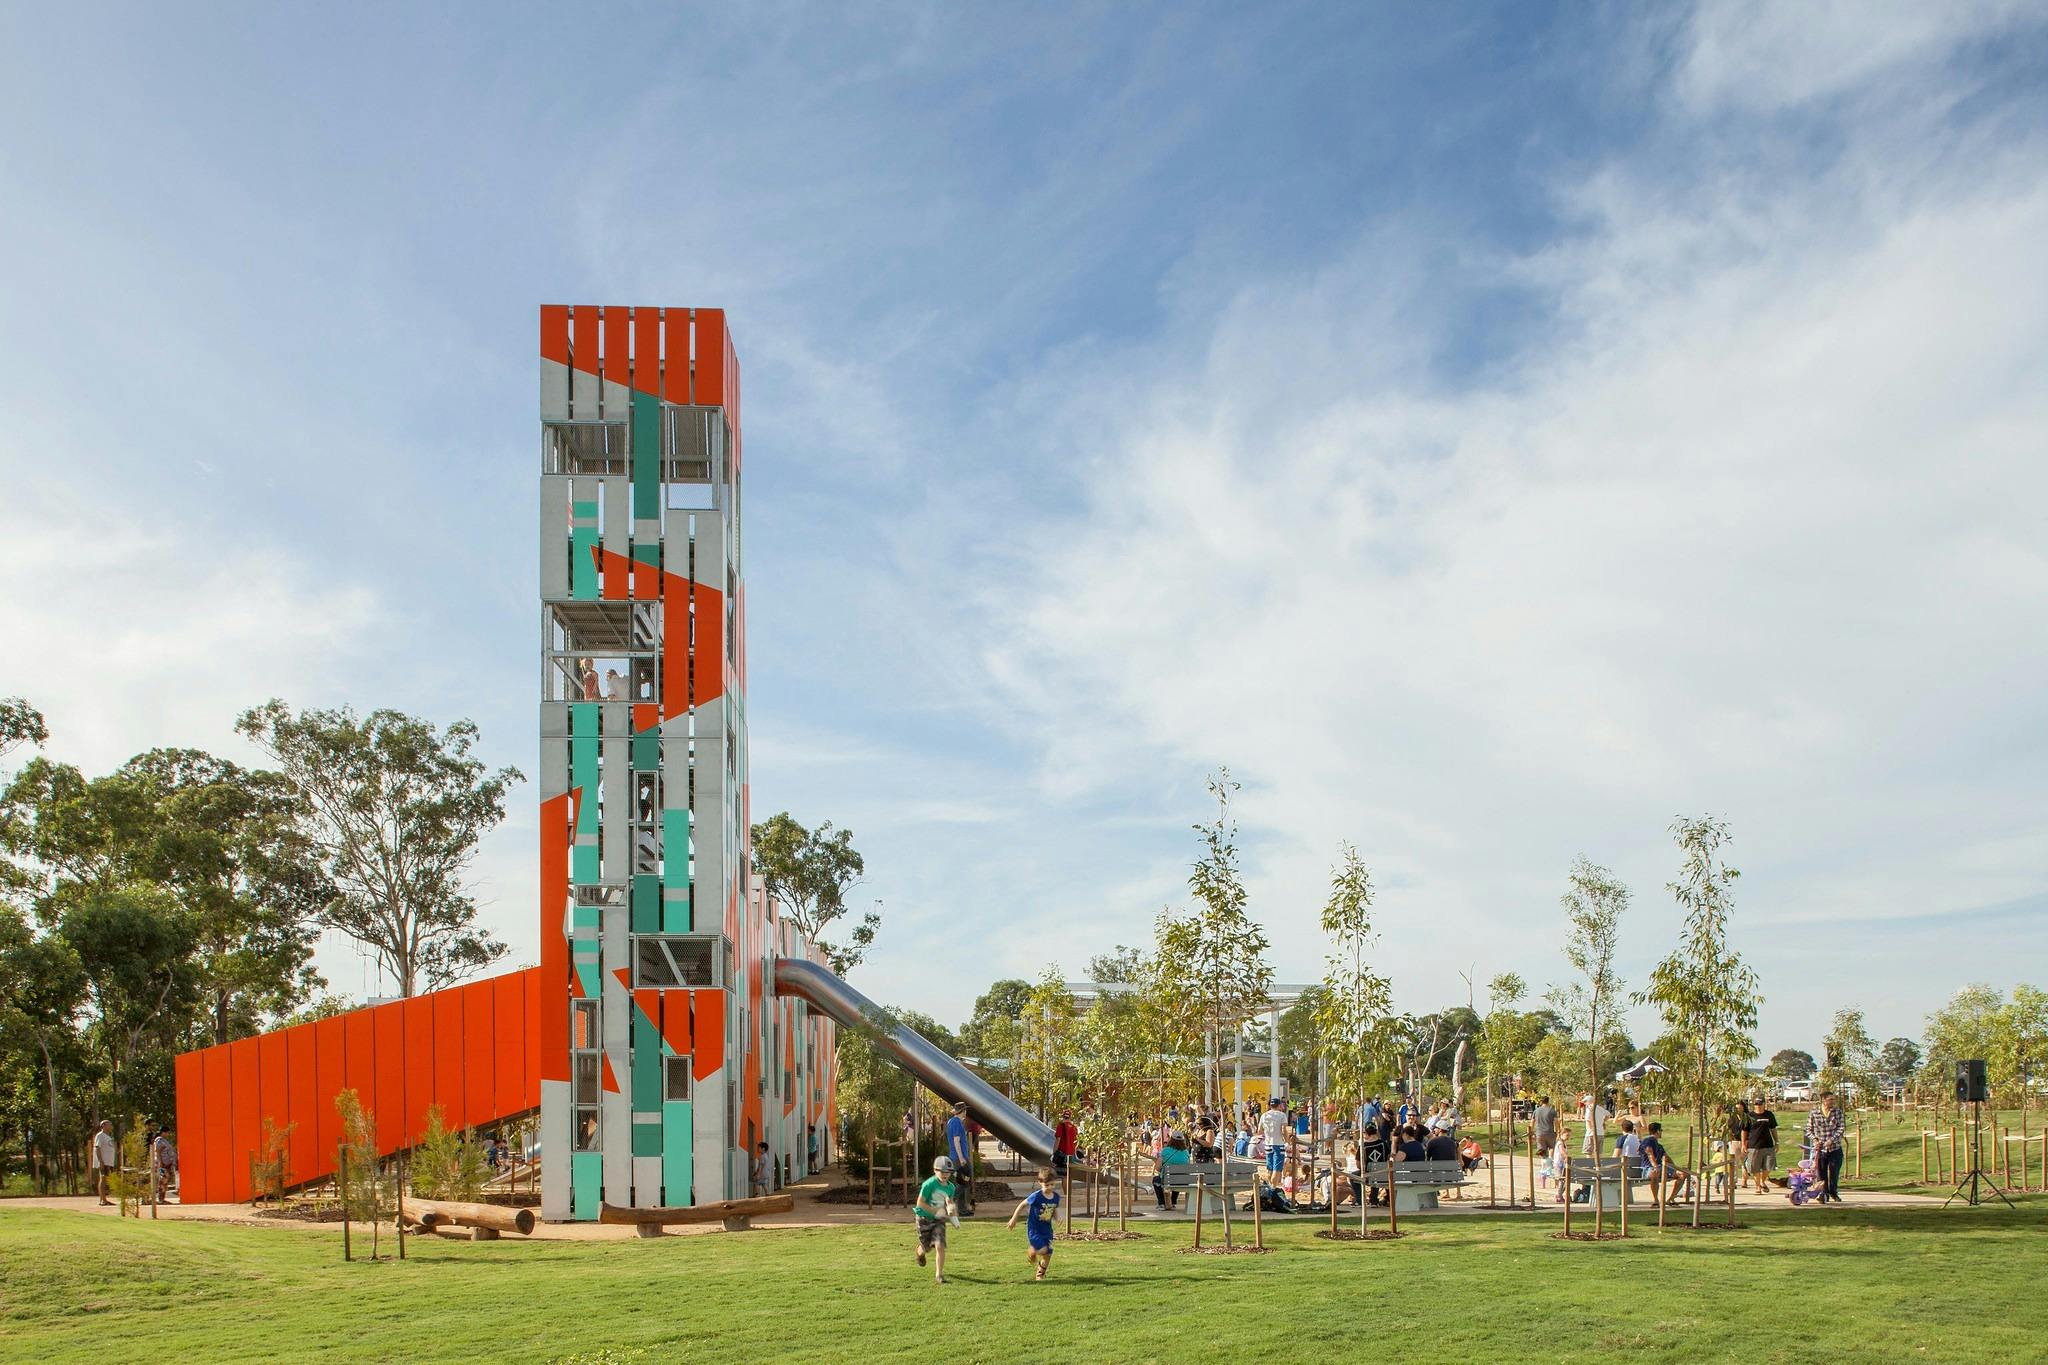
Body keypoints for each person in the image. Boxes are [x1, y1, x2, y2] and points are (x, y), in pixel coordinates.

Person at [1007, 1168, 1061, 1281]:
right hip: (1034, 1229)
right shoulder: (1036, 1196)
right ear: (1040, 1183)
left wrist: (1057, 1218)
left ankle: (1040, 1274)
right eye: (1047, 1185)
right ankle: (1032, 1251)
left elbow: (1054, 1209)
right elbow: (1022, 1205)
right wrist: (1013, 1219)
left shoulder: (1056, 1197)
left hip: (1047, 1230)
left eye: (1052, 1184)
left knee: (1048, 1254)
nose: (1050, 1187)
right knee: (1044, 1250)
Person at [914, 1155, 959, 1284]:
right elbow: (920, 1203)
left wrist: (953, 1216)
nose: (945, 1175)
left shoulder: (951, 1187)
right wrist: (936, 1211)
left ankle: (939, 1275)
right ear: (935, 1170)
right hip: (923, 1218)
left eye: (948, 1172)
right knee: (927, 1247)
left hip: (939, 1220)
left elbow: (948, 1201)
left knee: (939, 1245)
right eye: (942, 1171)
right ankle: (920, 1251)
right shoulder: (929, 1184)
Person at [1806, 1093, 1847, 1204]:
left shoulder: (1837, 1112)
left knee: (1834, 1172)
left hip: (1835, 1148)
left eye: (1833, 1099)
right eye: (1830, 1099)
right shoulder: (1814, 1113)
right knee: (1821, 1173)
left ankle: (1833, 1192)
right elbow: (1809, 1130)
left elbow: (1841, 1128)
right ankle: (1823, 1194)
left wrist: (1832, 1140)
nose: (1833, 1101)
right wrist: (1815, 1140)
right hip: (1820, 1150)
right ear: (1823, 1100)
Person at [944, 1102, 975, 1215]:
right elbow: (956, 1141)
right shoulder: (957, 1123)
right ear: (961, 1111)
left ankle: (962, 1210)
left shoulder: (951, 1122)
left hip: (954, 1157)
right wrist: (961, 1158)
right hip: (959, 1158)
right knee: (964, 1182)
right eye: (965, 1110)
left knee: (962, 1182)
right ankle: (947, 1202)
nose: (966, 1112)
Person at [1746, 1097, 1779, 1193]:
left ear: (1764, 1104)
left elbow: (1773, 1129)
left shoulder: (1769, 1115)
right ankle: (1758, 1187)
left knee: (1769, 1166)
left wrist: (1776, 1142)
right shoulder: (1749, 1116)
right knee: (1755, 1168)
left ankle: (1762, 1181)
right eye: (1756, 1104)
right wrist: (1744, 1144)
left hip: (1768, 1145)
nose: (1758, 1106)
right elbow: (1745, 1131)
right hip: (1754, 1146)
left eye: (1760, 1104)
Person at [1153, 1132, 1190, 1209]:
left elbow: (1157, 1168)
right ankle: (1173, 1202)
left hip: (1168, 1180)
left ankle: (1162, 1203)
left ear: (1171, 1140)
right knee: (1177, 1177)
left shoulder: (1165, 1151)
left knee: (1156, 1180)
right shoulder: (1186, 1152)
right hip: (1183, 1181)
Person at [1259, 1099, 1291, 1182]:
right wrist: (1287, 1141)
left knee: (1270, 1167)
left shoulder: (1264, 1115)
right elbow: (1284, 1130)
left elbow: (1259, 1131)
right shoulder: (1282, 1115)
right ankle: (1273, 1187)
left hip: (1268, 1144)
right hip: (1279, 1143)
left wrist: (1267, 1133)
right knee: (1277, 1168)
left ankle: (1270, 1187)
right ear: (1279, 1105)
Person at [91, 1119, 117, 1205]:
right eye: (109, 1124)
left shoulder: (108, 1136)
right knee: (103, 1178)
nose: (111, 1126)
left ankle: (104, 1199)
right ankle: (102, 1200)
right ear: (103, 1126)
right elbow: (97, 1148)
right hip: (103, 1161)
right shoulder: (100, 1135)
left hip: (108, 1162)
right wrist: (101, 1161)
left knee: (105, 1179)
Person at [151, 1127, 178, 1202]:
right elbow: (158, 1152)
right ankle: (161, 1199)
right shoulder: (159, 1140)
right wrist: (161, 1163)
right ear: (163, 1132)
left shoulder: (164, 1140)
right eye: (167, 1133)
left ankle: (162, 1198)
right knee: (162, 1182)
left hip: (167, 1164)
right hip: (163, 1164)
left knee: (164, 1182)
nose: (168, 1134)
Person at [1051, 1109, 1078, 1175]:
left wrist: (1054, 1153)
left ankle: (1065, 1186)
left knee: (1063, 1176)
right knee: (1069, 1175)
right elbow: (1076, 1142)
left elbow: (1058, 1140)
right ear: (1070, 1117)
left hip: (1062, 1155)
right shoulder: (1074, 1128)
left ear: (1063, 1116)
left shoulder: (1060, 1126)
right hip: (1071, 1155)